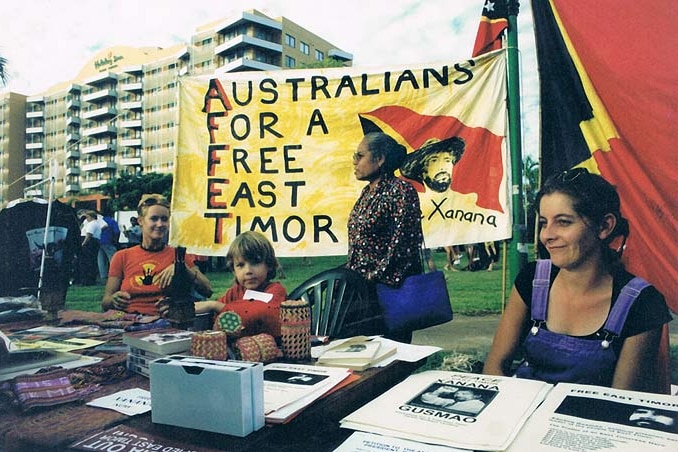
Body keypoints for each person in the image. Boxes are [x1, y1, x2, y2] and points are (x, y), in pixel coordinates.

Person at [483, 168, 671, 393]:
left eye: (563, 222)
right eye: (543, 222)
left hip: (591, 423)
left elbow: (620, 403)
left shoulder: (643, 303)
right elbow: (494, 367)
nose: (547, 235)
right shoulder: (532, 279)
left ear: (604, 226)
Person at [346, 132, 424, 342]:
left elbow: (404, 245)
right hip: (362, 292)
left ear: (379, 159)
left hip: (389, 292)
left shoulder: (401, 191)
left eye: (359, 155)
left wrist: (373, 277)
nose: (354, 161)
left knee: (389, 359)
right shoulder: (366, 193)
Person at [102, 194, 212, 316]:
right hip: (128, 321)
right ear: (141, 221)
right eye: (154, 219)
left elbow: (207, 290)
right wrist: (114, 300)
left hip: (166, 322)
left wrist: (181, 267)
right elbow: (106, 302)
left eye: (164, 219)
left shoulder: (178, 255)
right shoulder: (122, 256)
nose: (160, 224)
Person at [195, 231, 287, 338]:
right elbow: (217, 319)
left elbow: (260, 313)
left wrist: (215, 306)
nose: (248, 270)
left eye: (255, 262)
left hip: (268, 350)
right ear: (233, 270)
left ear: (269, 264)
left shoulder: (276, 290)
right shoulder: (234, 293)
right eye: (240, 265)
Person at [400, 136, 465, 193]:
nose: (442, 167)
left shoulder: (462, 198)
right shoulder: (411, 195)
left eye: (447, 160)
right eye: (434, 160)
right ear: (423, 172)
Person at [420, 386, 486, 415]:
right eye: (457, 393)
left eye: (464, 393)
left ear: (476, 396)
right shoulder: (451, 402)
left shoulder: (480, 405)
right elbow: (426, 398)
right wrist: (438, 391)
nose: (459, 395)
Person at [77, 210, 102, 286]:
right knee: (91, 261)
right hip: (94, 242)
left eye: (87, 216)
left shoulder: (92, 224)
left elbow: (88, 235)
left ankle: (87, 280)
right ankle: (90, 279)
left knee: (86, 261)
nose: (86, 218)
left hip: (89, 243)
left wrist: (83, 243)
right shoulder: (93, 223)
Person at [97, 209, 120, 281]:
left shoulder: (99, 221)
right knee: (113, 258)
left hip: (99, 241)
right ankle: (115, 274)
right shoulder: (112, 221)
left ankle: (103, 275)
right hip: (109, 241)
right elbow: (117, 231)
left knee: (101, 259)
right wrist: (116, 240)